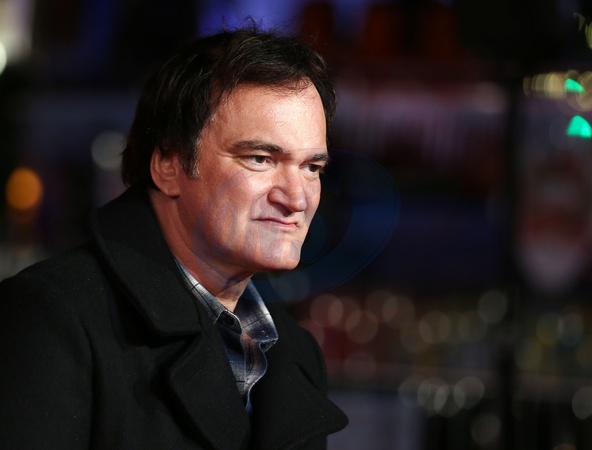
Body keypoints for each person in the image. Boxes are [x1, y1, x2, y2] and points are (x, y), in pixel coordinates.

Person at [0, 24, 348, 449]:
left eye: (312, 167)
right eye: (260, 158)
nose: (296, 198)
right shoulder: (53, 319)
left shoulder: (296, 353)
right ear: (168, 164)